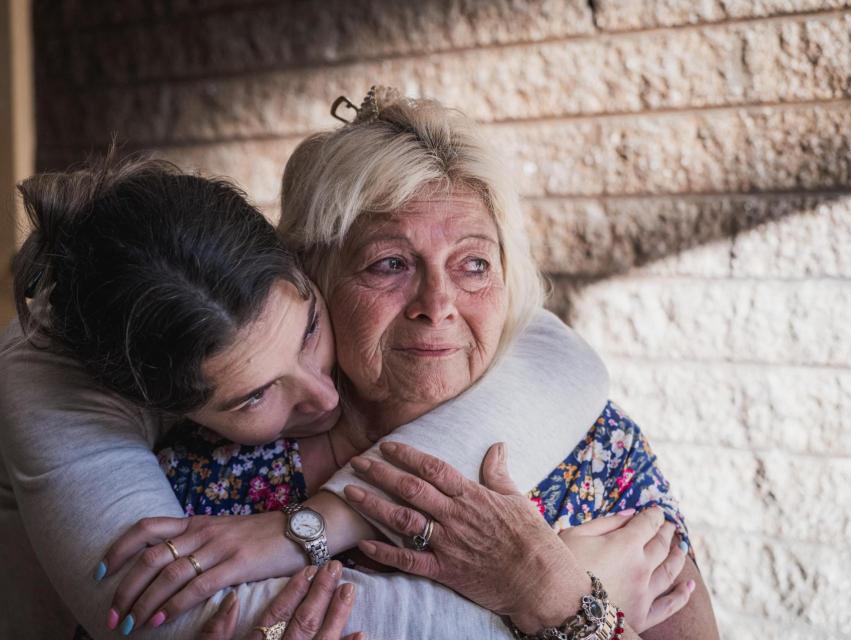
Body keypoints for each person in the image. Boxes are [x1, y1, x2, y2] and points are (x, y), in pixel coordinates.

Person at [104, 88, 717, 637]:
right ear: (312, 277)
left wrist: (562, 602)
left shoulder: (590, 447)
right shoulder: (207, 478)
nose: (438, 304)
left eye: (474, 263)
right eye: (389, 263)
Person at [0, 154, 661, 639]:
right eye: (254, 396)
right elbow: (177, 620)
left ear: (298, 264)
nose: (321, 394)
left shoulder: (595, 444)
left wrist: (314, 525)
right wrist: (559, 602)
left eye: (309, 328)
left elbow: (559, 351)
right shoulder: (184, 490)